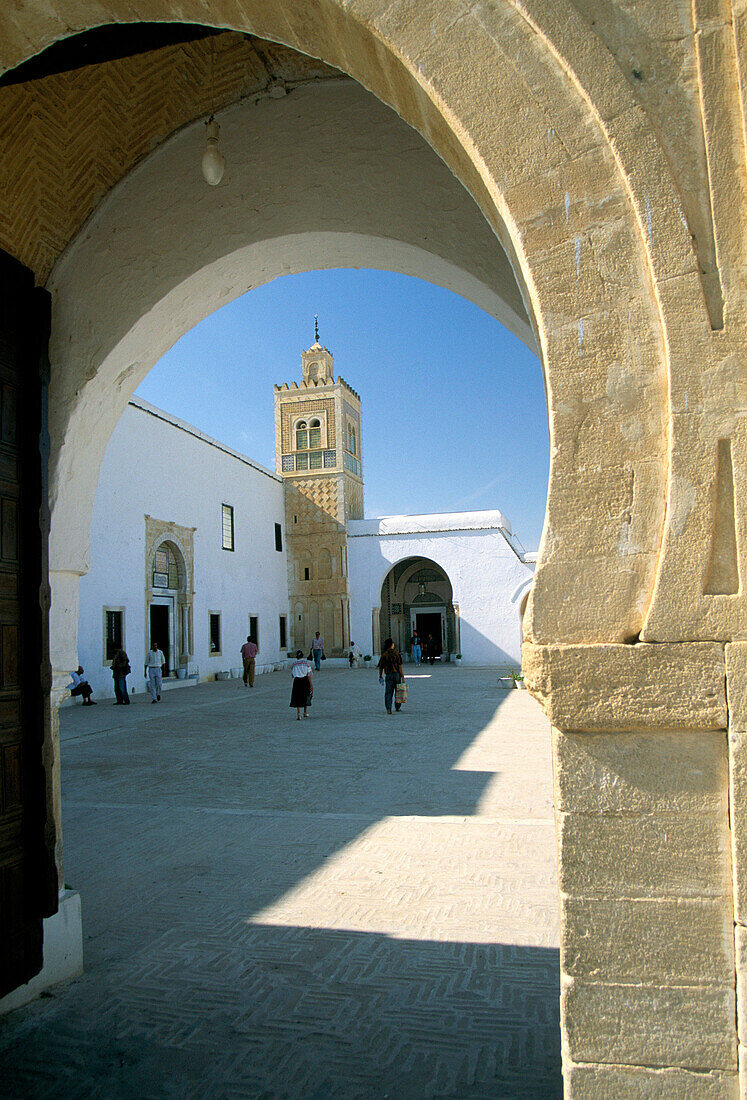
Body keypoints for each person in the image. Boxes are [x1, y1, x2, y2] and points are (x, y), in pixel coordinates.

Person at [377, 638, 404, 714]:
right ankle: (397, 707)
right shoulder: (396, 653)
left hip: (388, 675)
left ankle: (388, 708)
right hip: (396, 675)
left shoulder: (384, 655)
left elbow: (381, 667)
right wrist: (403, 676)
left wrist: (380, 675)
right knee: (398, 691)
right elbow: (400, 666)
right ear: (391, 645)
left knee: (388, 692)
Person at [290, 649, 313, 719]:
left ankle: (298, 714)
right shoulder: (306, 663)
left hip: (297, 681)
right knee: (305, 695)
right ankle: (305, 712)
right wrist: (311, 685)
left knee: (297, 697)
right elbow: (309, 674)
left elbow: (292, 675)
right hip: (304, 680)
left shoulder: (294, 664)